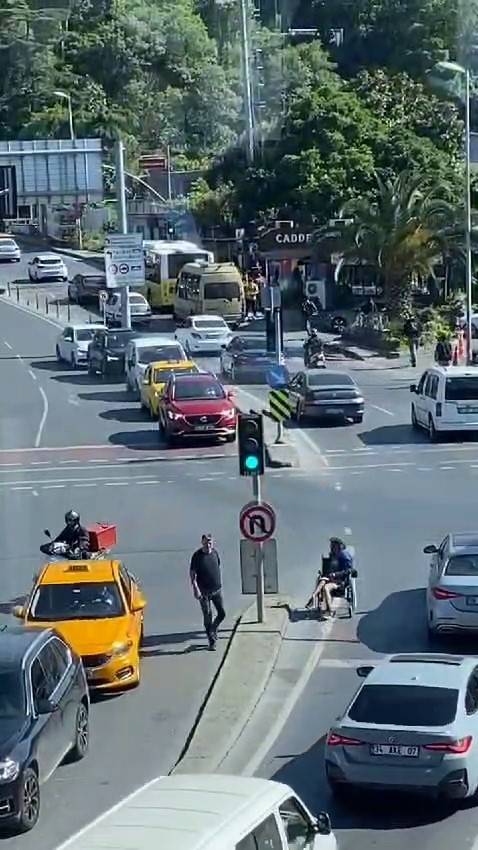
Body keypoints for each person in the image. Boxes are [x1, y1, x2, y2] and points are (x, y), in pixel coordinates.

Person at [190, 534, 226, 650]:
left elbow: (217, 566)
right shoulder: (197, 556)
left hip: (217, 590)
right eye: (206, 543)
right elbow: (192, 575)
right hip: (204, 592)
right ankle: (212, 641)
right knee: (208, 616)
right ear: (202, 542)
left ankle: (213, 629)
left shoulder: (215, 553)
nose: (208, 545)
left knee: (222, 613)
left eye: (210, 542)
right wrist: (195, 588)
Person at [306, 538, 353, 618]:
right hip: (330, 579)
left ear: (338, 547)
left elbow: (347, 571)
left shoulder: (344, 557)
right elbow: (328, 570)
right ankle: (314, 596)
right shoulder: (331, 556)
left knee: (326, 587)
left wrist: (335, 574)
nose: (331, 548)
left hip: (340, 581)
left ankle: (329, 611)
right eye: (331, 546)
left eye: (333, 546)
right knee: (323, 580)